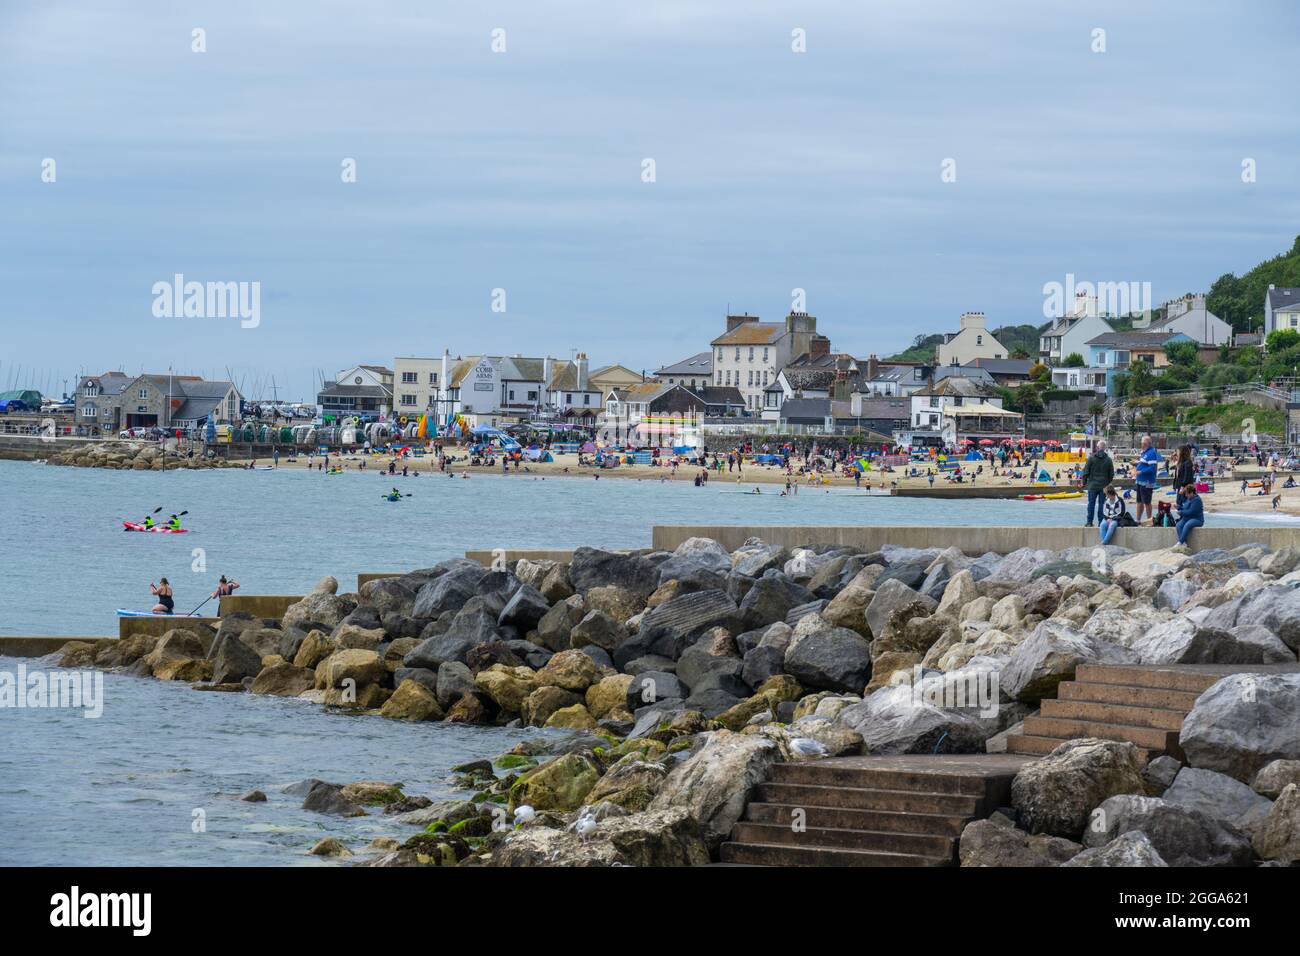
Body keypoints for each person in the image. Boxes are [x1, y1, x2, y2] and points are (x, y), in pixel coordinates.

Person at [1080, 439, 1114, 527]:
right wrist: (1107, 482)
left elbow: (1086, 472)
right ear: (1105, 448)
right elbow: (1111, 474)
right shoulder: (1108, 460)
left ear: (1097, 447)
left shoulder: (1091, 458)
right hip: (1104, 486)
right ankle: (1101, 522)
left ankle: (1089, 522)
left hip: (1092, 485)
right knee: (1102, 504)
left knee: (1091, 504)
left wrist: (1083, 483)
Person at [1133, 435, 1160, 524]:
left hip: (1147, 482)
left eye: (1142, 442)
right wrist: (1136, 464)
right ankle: (1138, 519)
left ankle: (1149, 520)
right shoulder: (1144, 452)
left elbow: (1152, 468)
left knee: (1147, 502)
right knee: (1139, 501)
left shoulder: (1151, 453)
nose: (1141, 444)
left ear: (1146, 443)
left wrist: (1141, 472)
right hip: (1140, 481)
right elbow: (1144, 464)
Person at [1173, 444, 1195, 509]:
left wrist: (1182, 486)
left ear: (1182, 453)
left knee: (1184, 503)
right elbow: (1177, 476)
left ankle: (1185, 517)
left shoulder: (1188, 463)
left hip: (1185, 487)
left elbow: (1186, 476)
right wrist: (1175, 486)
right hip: (1180, 486)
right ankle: (1182, 517)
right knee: (1179, 503)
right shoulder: (1180, 463)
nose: (1176, 454)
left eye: (1177, 452)